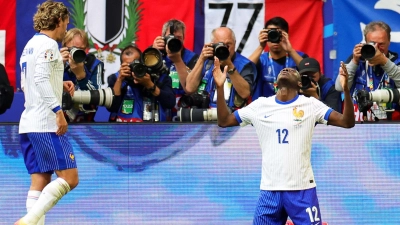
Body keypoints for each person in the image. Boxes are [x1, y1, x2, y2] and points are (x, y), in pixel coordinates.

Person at [212, 56, 355, 224]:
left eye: (293, 71)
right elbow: (224, 121)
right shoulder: (260, 106)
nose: (286, 70)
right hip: (269, 191)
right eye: (283, 70)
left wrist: (346, 90)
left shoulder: (311, 105)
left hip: (302, 190)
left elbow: (347, 122)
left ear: (300, 84)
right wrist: (220, 87)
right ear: (275, 84)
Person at [15, 1, 79, 225]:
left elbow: (29, 82)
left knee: (40, 181)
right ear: (59, 20)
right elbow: (41, 79)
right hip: (46, 122)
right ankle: (28, 221)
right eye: (66, 24)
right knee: (70, 179)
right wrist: (58, 111)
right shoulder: (50, 45)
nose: (65, 30)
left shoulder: (29, 45)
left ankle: (31, 222)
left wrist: (58, 82)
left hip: (28, 122)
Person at [335, 21, 400, 121]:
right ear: (365, 42)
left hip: (389, 127)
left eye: (381, 44)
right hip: (358, 126)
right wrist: (354, 62)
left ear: (389, 42)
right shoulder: (356, 60)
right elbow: (340, 87)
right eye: (373, 43)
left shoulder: (396, 62)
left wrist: (384, 62)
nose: (377, 48)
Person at [186, 27, 256, 111]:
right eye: (221, 45)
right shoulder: (206, 61)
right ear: (213, 45)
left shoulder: (245, 65)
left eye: (228, 45)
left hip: (232, 117)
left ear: (235, 43)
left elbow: (245, 93)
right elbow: (189, 88)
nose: (225, 49)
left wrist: (230, 66)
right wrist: (201, 59)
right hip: (205, 115)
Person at [107, 44, 175, 122]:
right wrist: (120, 80)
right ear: (122, 66)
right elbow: (111, 108)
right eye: (129, 65)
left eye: (136, 64)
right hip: (124, 131)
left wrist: (150, 85)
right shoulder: (115, 79)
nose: (133, 68)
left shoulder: (159, 78)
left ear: (143, 62)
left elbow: (170, 102)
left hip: (154, 130)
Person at [249, 17, 308, 100]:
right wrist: (261, 46)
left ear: (286, 35)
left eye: (278, 34)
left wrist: (290, 50)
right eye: (271, 34)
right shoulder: (260, 60)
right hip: (265, 109)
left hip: (293, 107)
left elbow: (309, 71)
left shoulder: (298, 56)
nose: (274, 38)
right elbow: (244, 70)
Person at [152, 19, 199, 120]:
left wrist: (178, 61)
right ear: (163, 37)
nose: (175, 41)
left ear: (184, 39)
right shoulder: (155, 55)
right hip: (159, 110)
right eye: (171, 37)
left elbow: (192, 88)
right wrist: (153, 51)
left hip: (183, 113)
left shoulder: (193, 59)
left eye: (179, 38)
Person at [61, 28, 105, 122]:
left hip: (86, 120)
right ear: (64, 47)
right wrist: (58, 65)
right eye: (72, 49)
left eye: (81, 49)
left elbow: (96, 99)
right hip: (60, 118)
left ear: (87, 49)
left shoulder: (94, 64)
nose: (76, 53)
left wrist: (81, 76)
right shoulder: (56, 61)